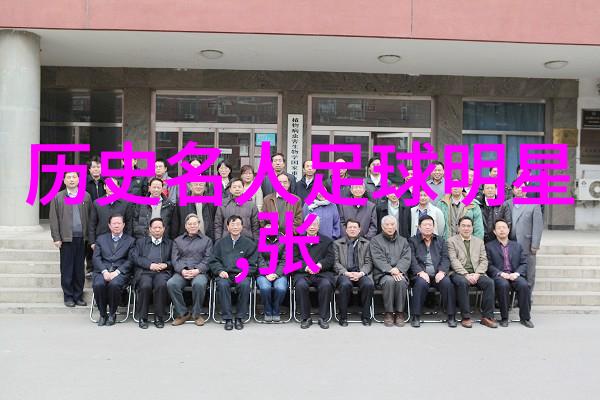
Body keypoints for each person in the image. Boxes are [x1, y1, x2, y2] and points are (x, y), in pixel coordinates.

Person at [49, 171, 92, 308]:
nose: (72, 179)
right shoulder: (58, 197)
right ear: (64, 180)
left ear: (79, 179)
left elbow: (91, 217)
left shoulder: (86, 196)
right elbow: (53, 219)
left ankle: (78, 296)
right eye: (69, 177)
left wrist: (90, 238)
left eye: (74, 177)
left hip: (82, 238)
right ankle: (68, 296)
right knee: (67, 268)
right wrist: (56, 238)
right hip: (66, 238)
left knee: (79, 269)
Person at [447, 216, 497, 328]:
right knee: (463, 282)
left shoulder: (479, 242)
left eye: (469, 226)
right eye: (463, 226)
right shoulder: (451, 241)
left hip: (476, 273)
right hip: (458, 273)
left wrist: (478, 274)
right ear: (458, 227)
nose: (466, 228)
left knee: (489, 283)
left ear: (472, 228)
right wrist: (466, 274)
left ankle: (487, 317)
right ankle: (466, 317)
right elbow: (453, 260)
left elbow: (484, 260)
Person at [209, 215, 258, 331]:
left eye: (237, 224)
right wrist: (220, 271)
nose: (235, 227)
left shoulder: (249, 244)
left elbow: (253, 263)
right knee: (222, 284)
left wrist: (244, 273)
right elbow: (213, 260)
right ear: (227, 227)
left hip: (241, 274)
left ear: (242, 226)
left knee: (245, 285)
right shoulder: (220, 243)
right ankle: (228, 318)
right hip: (225, 274)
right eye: (232, 224)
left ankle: (239, 318)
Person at [408, 215, 457, 328]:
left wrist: (442, 271)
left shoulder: (441, 240)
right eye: (425, 225)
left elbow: (445, 258)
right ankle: (416, 316)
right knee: (420, 284)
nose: (428, 227)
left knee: (447, 283)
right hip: (421, 274)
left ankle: (451, 316)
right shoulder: (412, 241)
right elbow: (411, 259)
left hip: (437, 274)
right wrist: (420, 272)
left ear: (434, 226)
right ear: (419, 227)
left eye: (430, 225)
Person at [485, 219, 534, 328]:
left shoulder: (517, 246)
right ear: (494, 231)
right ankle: (504, 318)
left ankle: (525, 318)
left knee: (524, 285)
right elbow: (488, 265)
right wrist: (500, 273)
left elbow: (524, 263)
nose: (501, 230)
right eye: (499, 228)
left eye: (504, 227)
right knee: (503, 285)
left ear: (508, 230)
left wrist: (516, 273)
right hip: (500, 276)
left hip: (514, 274)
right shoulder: (489, 246)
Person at [167, 213, 213, 327]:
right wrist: (182, 270)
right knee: (171, 283)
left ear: (199, 225)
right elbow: (175, 259)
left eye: (195, 223)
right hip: (182, 272)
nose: (192, 226)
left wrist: (197, 270)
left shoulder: (207, 240)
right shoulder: (178, 240)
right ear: (185, 226)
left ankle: (197, 314)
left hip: (199, 272)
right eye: (190, 224)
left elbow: (208, 259)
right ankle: (183, 313)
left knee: (199, 284)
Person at [91, 214, 136, 326]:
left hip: (120, 272)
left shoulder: (131, 241)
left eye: (119, 223)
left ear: (123, 225)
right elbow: (96, 258)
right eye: (114, 223)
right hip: (102, 271)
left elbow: (130, 260)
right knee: (98, 284)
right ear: (109, 225)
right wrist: (104, 271)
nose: (116, 226)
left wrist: (116, 272)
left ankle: (112, 313)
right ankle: (102, 314)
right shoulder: (101, 239)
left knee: (114, 284)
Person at [293, 216, 335, 329]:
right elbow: (293, 258)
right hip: (303, 273)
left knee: (326, 285)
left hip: (322, 273)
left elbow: (330, 258)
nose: (311, 227)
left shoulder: (327, 241)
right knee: (301, 285)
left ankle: (323, 318)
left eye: (314, 224)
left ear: (318, 226)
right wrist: (306, 267)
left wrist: (319, 265)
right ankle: (306, 318)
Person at [131, 217, 173, 329]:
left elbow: (174, 260)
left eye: (159, 227)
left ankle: (159, 317)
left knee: (161, 285)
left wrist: (166, 265)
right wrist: (150, 265)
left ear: (164, 229)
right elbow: (135, 257)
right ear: (150, 229)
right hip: (145, 272)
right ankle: (142, 317)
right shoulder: (141, 242)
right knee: (145, 285)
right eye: (155, 228)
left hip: (162, 272)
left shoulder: (170, 243)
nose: (157, 230)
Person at [370, 215, 411, 327]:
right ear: (382, 226)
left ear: (396, 226)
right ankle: (388, 313)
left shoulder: (403, 241)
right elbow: (377, 258)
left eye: (392, 224)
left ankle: (399, 313)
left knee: (401, 281)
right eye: (387, 225)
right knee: (389, 281)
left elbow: (406, 258)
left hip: (400, 272)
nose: (390, 227)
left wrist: (398, 269)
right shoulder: (375, 240)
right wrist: (390, 270)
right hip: (383, 273)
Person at [333, 219, 374, 326]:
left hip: (360, 273)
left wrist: (361, 273)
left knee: (368, 284)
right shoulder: (337, 243)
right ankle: (343, 317)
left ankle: (366, 316)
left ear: (359, 229)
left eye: (355, 227)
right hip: (344, 274)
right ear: (346, 230)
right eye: (350, 227)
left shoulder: (366, 243)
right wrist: (346, 273)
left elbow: (369, 262)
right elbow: (335, 262)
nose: (352, 229)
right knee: (345, 284)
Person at [504, 182, 543, 291]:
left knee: (529, 272)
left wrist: (535, 245)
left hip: (527, 244)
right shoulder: (507, 204)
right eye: (517, 187)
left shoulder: (534, 205)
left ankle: (528, 296)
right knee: (512, 272)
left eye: (522, 187)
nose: (520, 190)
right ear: (513, 190)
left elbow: (538, 226)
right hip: (510, 244)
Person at [256, 232, 288, 322]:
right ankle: (268, 311)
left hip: (279, 273)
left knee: (281, 288)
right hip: (263, 273)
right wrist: (267, 273)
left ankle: (276, 310)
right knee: (265, 288)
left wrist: (277, 273)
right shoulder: (259, 240)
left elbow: (285, 260)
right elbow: (259, 259)